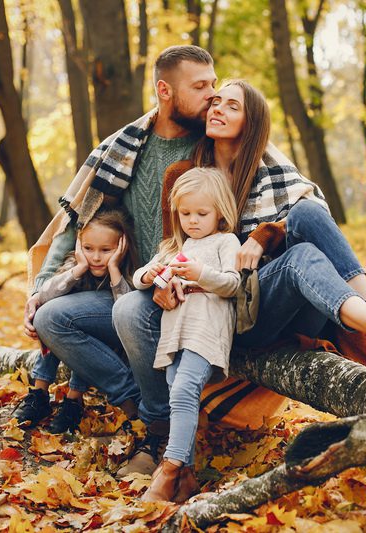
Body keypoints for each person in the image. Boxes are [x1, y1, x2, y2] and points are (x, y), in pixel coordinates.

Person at [112, 80, 366, 480]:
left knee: (306, 222)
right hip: (218, 308)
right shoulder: (185, 174)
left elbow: (311, 225)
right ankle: (161, 431)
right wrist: (162, 283)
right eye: (215, 101)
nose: (218, 108)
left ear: (252, 121)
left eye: (232, 106)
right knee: (128, 309)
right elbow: (174, 243)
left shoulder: (271, 175)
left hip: (271, 304)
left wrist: (264, 235)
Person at [23, 45, 217, 449]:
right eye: (200, 86)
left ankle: (156, 429)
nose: (212, 95)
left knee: (130, 310)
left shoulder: (215, 146)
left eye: (213, 84)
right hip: (129, 288)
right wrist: (38, 290)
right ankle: (134, 400)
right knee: (52, 318)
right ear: (165, 90)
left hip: (189, 286)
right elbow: (77, 221)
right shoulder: (124, 148)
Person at [132, 167, 241, 503]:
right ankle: (187, 477)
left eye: (201, 213)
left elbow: (232, 284)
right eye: (185, 213)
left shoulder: (225, 242)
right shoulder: (175, 246)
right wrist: (150, 274)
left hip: (206, 329)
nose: (192, 220)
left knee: (182, 390)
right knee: (178, 393)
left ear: (220, 212)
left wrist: (201, 274)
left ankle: (168, 469)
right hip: (176, 331)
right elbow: (138, 278)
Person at [17, 207, 139, 433]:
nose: (95, 257)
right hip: (64, 331)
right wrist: (78, 269)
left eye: (106, 250)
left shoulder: (123, 269)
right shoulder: (77, 264)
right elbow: (45, 294)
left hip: (106, 331)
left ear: (121, 247)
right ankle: (39, 392)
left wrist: (114, 268)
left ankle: (74, 400)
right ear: (78, 246)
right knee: (49, 310)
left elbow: (126, 309)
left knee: (78, 329)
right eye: (88, 248)